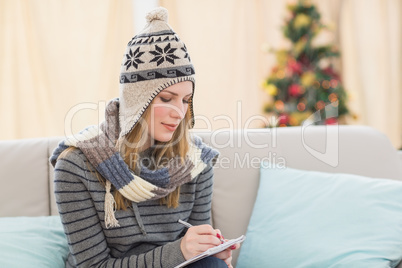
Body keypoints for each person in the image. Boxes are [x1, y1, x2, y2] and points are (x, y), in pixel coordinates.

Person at [50, 7, 239, 268]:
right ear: (137, 101)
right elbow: (93, 266)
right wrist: (179, 252)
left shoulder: (196, 162)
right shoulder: (76, 166)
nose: (179, 113)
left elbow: (194, 251)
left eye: (186, 100)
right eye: (165, 98)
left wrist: (209, 250)